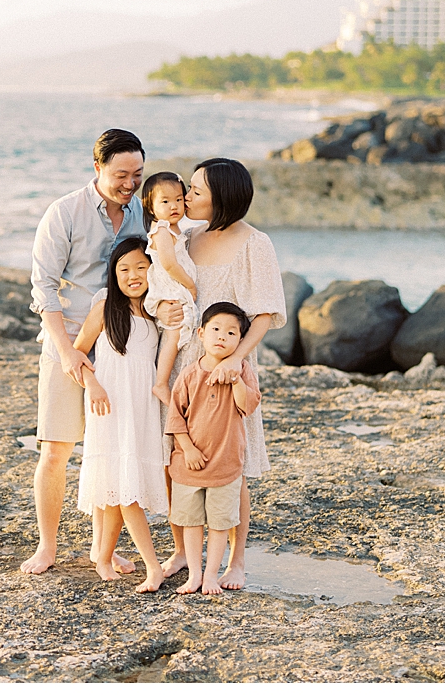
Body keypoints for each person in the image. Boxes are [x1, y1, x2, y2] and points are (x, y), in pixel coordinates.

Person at [22, 128, 148, 575]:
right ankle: (47, 547)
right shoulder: (64, 212)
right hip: (67, 340)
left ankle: (104, 547)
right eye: (120, 175)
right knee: (56, 449)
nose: (130, 183)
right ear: (97, 168)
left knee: (110, 449)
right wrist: (68, 351)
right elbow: (43, 289)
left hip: (118, 344)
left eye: (137, 173)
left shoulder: (142, 213)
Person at [159, 158, 285, 590]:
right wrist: (166, 309)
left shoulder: (255, 243)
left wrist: (237, 361)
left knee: (233, 465)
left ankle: (236, 561)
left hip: (230, 367)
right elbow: (166, 291)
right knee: (177, 457)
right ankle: (181, 551)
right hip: (183, 362)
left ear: (223, 195)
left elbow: (266, 313)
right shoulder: (186, 236)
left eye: (195, 190)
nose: (185, 196)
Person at [69, 237, 168, 592]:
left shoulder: (156, 311)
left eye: (141, 267)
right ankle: (152, 566)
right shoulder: (106, 307)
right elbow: (78, 355)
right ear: (113, 273)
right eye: (124, 269)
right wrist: (92, 385)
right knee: (126, 490)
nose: (133, 275)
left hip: (141, 408)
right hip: (109, 403)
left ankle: (102, 554)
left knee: (118, 482)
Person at [166, 302, 262, 595]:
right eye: (216, 329)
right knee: (192, 522)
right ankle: (194, 574)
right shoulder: (189, 375)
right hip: (188, 465)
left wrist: (234, 381)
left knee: (220, 523)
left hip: (225, 464)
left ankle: (211, 575)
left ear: (239, 341)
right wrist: (188, 449)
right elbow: (174, 417)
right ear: (201, 333)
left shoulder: (242, 370)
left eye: (231, 332)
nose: (222, 336)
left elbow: (248, 406)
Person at [138, 171, 197, 405]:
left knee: (180, 330)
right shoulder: (161, 230)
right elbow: (169, 264)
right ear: (151, 207)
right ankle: (161, 382)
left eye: (179, 199)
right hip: (170, 287)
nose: (174, 206)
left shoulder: (175, 229)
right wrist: (190, 284)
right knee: (174, 330)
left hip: (176, 285)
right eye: (165, 201)